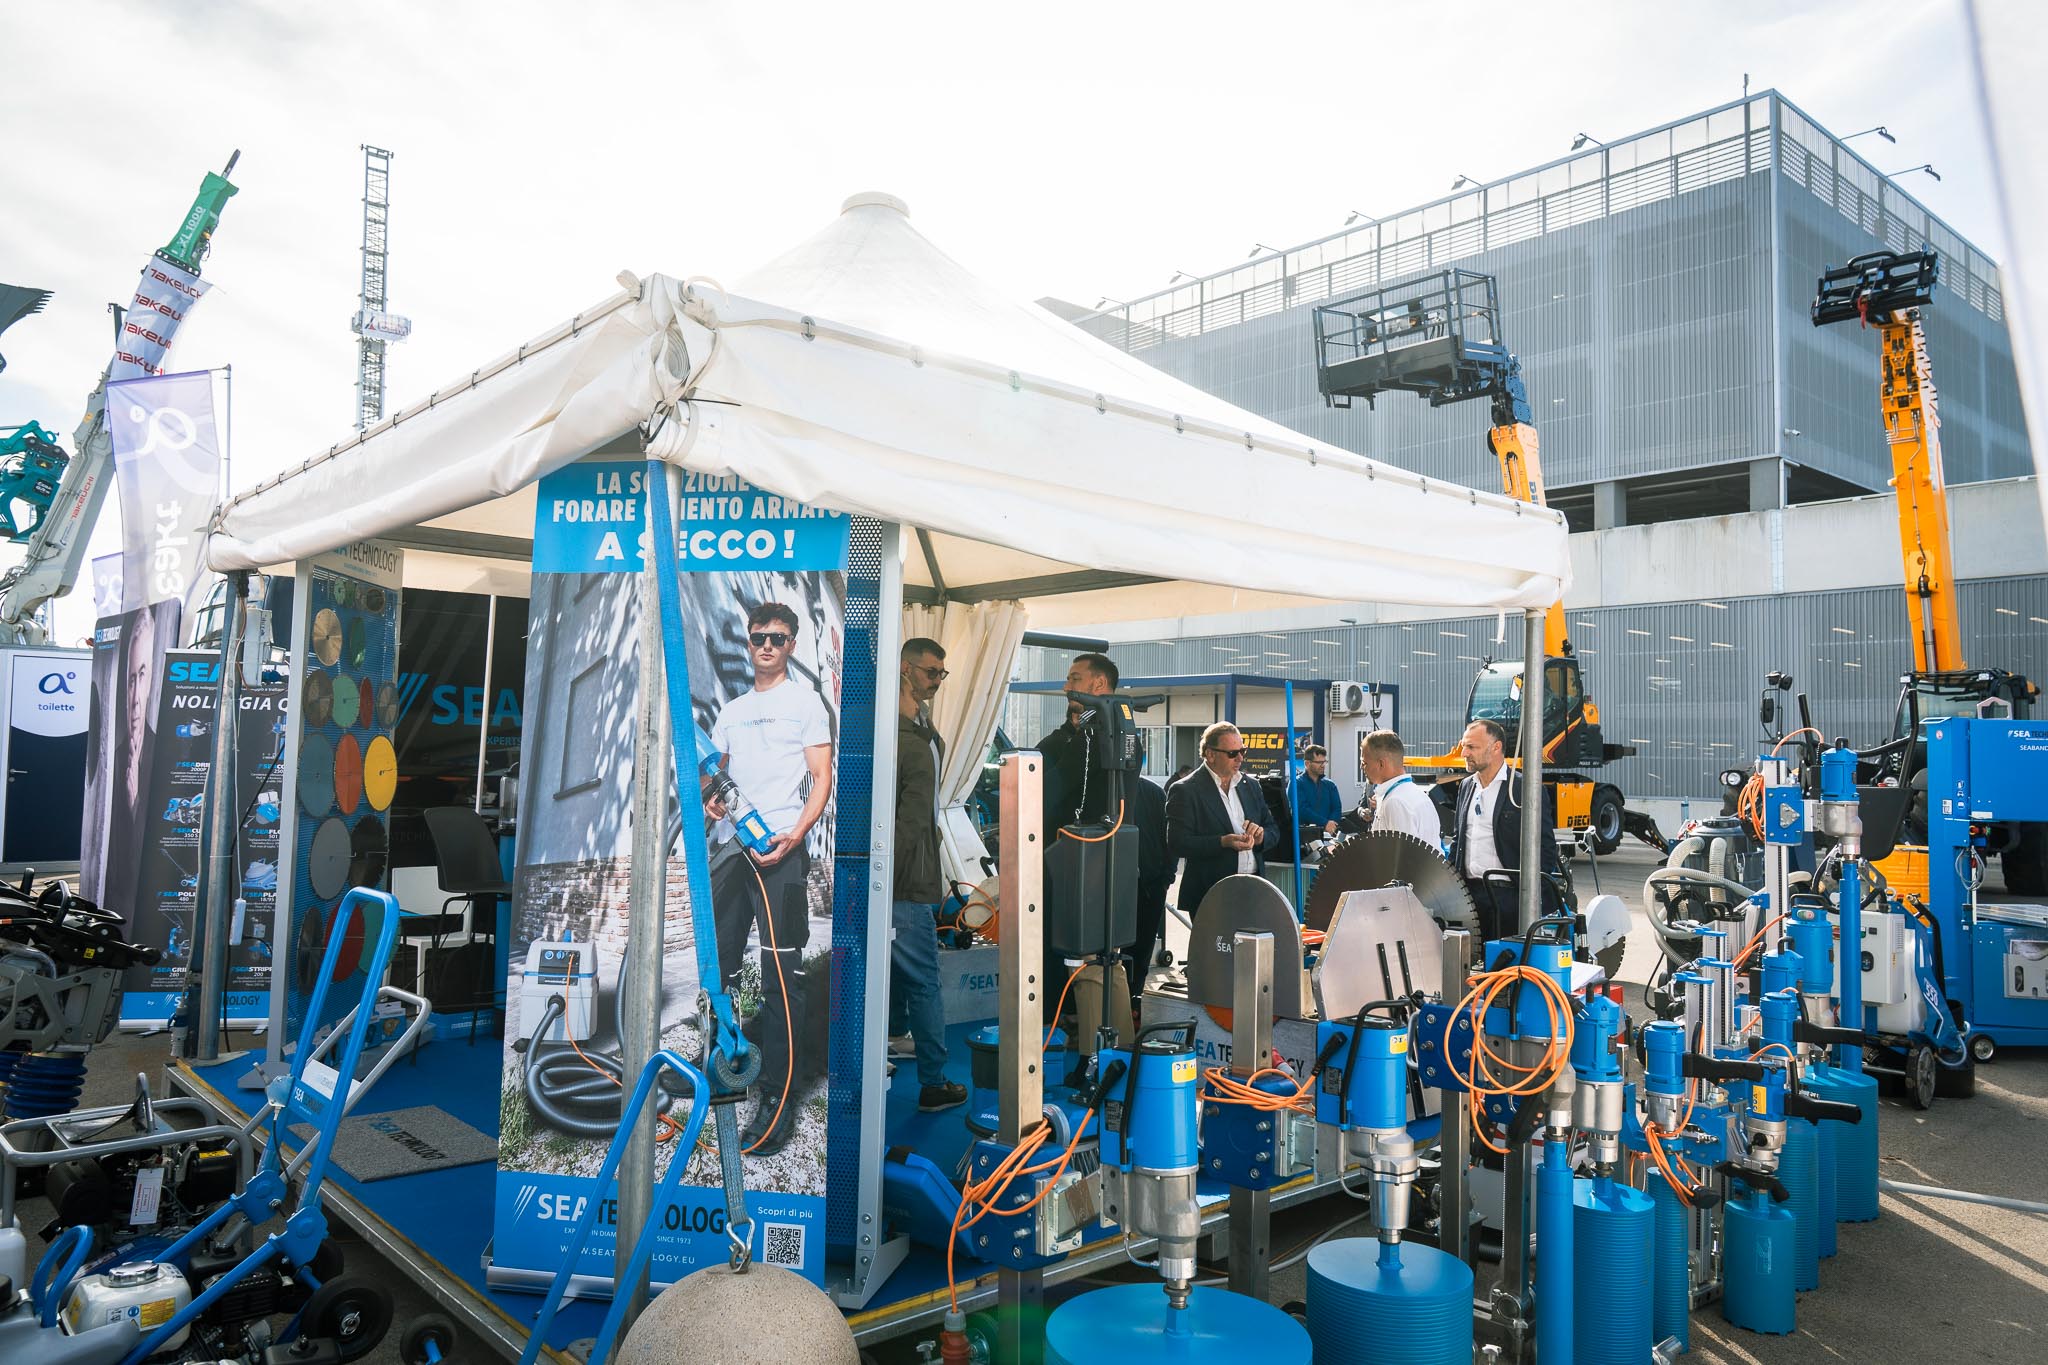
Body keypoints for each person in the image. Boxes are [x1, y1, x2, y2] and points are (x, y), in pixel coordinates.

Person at [706, 601, 834, 1155]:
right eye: (758, 637)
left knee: (781, 977)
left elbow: (822, 777)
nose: (766, 646)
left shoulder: (805, 703)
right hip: (732, 850)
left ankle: (777, 1099)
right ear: (749, 642)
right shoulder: (732, 711)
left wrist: (796, 834)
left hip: (779, 849)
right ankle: (722, 1068)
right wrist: (712, 801)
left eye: (777, 638)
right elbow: (716, 778)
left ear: (791, 645)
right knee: (720, 966)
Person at [889, 637, 966, 1113]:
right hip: (905, 883)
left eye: (941, 673)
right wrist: (885, 881)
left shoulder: (918, 731)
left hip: (902, 879)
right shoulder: (910, 741)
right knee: (923, 980)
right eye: (931, 671)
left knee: (901, 976)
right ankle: (934, 1082)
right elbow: (910, 823)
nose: (937, 680)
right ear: (905, 669)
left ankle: (895, 1038)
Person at [1448, 719, 1561, 944]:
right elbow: (1458, 840)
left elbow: (1546, 849)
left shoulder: (1523, 788)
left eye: (1472, 747)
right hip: (1470, 897)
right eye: (1464, 746)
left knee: (1507, 961)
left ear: (1496, 747)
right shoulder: (1466, 786)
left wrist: (1529, 898)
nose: (1464, 753)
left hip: (1508, 897)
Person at [1165, 722, 1278, 922]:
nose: (1240, 758)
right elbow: (1178, 843)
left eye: (1243, 751)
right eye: (1233, 753)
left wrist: (1261, 837)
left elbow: (1273, 830)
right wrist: (1223, 842)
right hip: (1211, 893)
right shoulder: (1185, 790)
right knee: (1215, 944)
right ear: (1210, 754)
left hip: (1253, 889)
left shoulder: (1251, 785)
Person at [1361, 730, 1444, 848]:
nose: (1361, 767)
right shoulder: (1414, 793)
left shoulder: (1395, 802)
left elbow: (1402, 856)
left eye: (1364, 763)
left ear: (1381, 764)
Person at [1293, 744, 1344, 853]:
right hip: (1304, 840)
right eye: (1319, 762)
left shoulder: (1330, 785)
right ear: (1307, 763)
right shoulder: (1297, 784)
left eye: (1324, 762)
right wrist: (1325, 823)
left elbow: (1337, 808)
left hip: (1329, 838)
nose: (1323, 765)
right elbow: (1301, 810)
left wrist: (1331, 825)